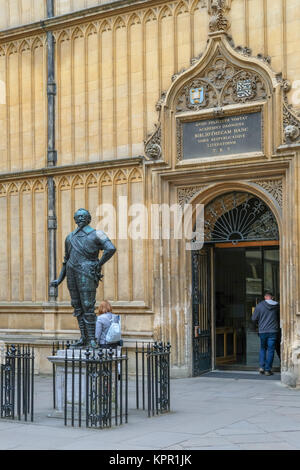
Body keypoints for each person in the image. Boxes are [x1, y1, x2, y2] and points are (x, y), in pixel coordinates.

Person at [50, 208, 116, 348]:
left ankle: (92, 339)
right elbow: (65, 260)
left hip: (86, 272)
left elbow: (110, 248)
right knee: (77, 306)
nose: (80, 219)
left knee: (88, 305)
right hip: (71, 273)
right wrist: (59, 279)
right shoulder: (70, 237)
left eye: (83, 216)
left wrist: (98, 263)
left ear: (89, 219)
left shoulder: (97, 234)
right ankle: (83, 337)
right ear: (74, 219)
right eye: (77, 217)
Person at [252, 291, 280, 376]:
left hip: (263, 331)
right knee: (271, 350)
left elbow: (253, 319)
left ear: (265, 297)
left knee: (263, 348)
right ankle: (268, 370)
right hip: (273, 331)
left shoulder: (259, 305)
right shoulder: (277, 306)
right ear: (272, 297)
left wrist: (256, 327)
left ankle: (261, 367)